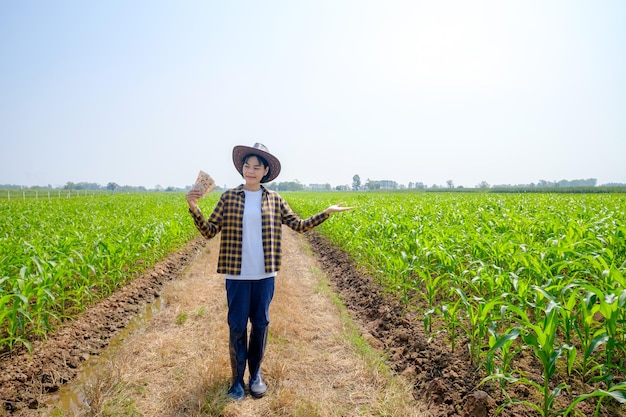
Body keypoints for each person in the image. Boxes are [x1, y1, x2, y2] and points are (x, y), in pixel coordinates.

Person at [186, 143, 353, 401]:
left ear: (265, 171)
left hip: (265, 275)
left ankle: (255, 375)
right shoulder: (229, 197)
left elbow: (298, 225)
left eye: (256, 167)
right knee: (237, 325)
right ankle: (237, 381)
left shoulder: (274, 199)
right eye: (246, 166)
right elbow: (209, 231)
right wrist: (195, 207)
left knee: (261, 323)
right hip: (237, 275)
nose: (250, 171)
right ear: (242, 168)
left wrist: (326, 213)